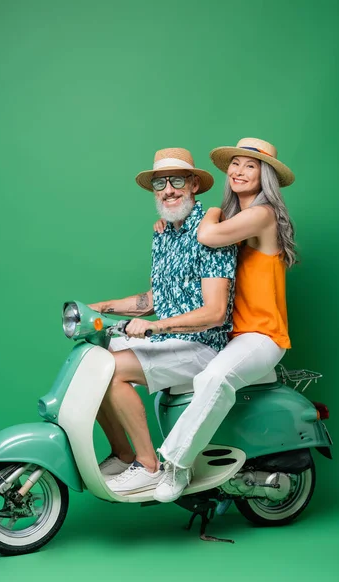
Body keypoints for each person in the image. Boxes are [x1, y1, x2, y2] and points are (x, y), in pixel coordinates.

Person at [152, 137, 296, 502]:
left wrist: (207, 213)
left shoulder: (262, 215)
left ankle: (176, 465)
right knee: (170, 380)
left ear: (266, 177)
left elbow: (206, 233)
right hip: (231, 335)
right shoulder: (237, 218)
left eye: (251, 166)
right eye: (235, 163)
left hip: (262, 335)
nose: (239, 170)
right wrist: (169, 225)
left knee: (214, 377)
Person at [88, 148, 237, 495]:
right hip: (169, 339)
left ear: (194, 184)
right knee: (93, 362)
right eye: (160, 182)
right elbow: (158, 298)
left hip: (203, 345)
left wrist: (157, 326)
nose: (168, 189)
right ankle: (123, 455)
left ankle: (147, 464)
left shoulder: (210, 232)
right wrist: (101, 307)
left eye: (177, 180)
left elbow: (215, 312)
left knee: (114, 370)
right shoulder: (164, 233)